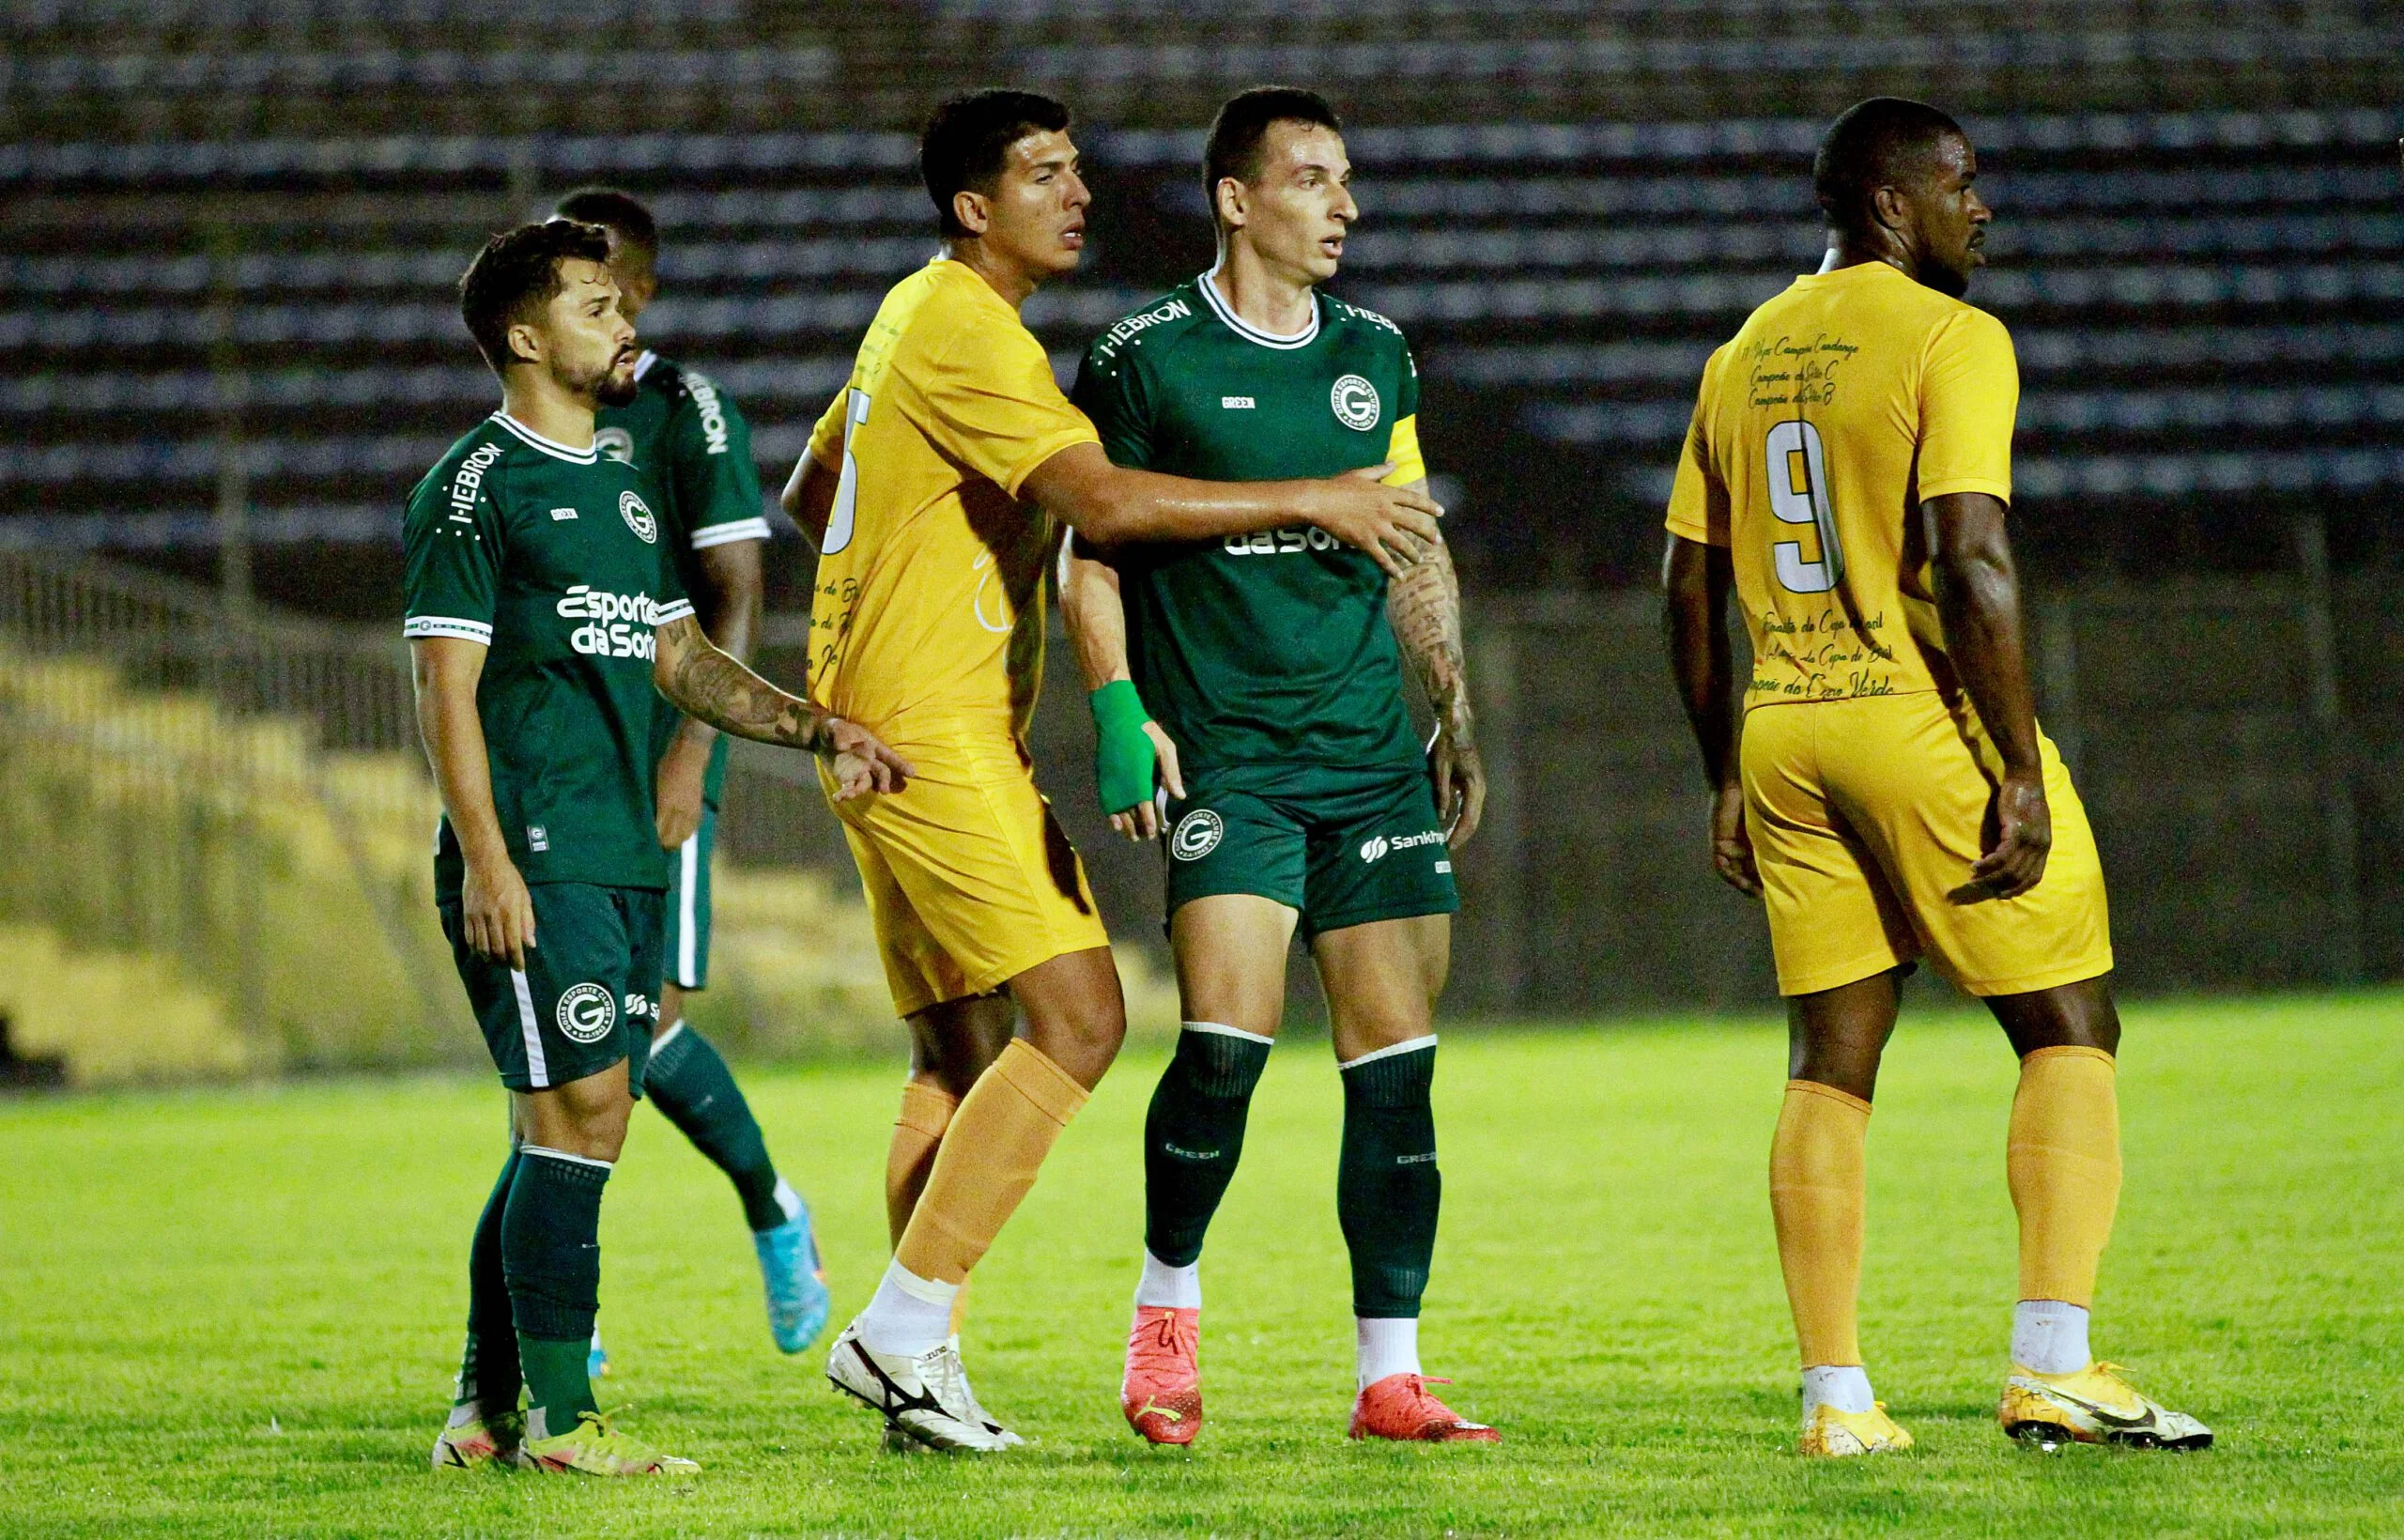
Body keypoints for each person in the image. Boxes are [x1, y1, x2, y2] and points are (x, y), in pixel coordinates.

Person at [779, 87, 1446, 1452]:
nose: (1077, 192)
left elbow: (812, 495)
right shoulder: (977, 329)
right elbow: (1103, 510)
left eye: (1078, 169)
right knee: (1083, 1018)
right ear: (976, 208)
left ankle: (923, 1366)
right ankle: (904, 1333)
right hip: (931, 722)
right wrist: (1311, 497)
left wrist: (936, 564)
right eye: (1044, 173)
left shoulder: (914, 318)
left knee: (960, 1050)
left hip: (881, 713)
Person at [1660, 98, 2212, 1457]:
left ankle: (1837, 1401)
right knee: (2071, 1024)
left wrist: (1722, 770)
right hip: (1914, 719)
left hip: (1784, 724)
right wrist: (2014, 766)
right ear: (1891, 204)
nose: (1985, 207)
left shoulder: (1742, 354)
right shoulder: (1953, 337)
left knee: (1831, 1062)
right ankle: (2056, 1366)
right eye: (1963, 183)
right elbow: (1971, 555)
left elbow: (1683, 579)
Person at [411, 219, 907, 1477]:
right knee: (571, 1114)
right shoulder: (475, 485)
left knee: (592, 1121)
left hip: (627, 844)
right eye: (591, 304)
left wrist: (815, 726)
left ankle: (492, 1412)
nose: (621, 318)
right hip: (540, 841)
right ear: (525, 337)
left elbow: (678, 659)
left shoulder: (628, 484)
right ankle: (559, 1426)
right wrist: (488, 858)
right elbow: (444, 691)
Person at [1058, 86, 1494, 1447]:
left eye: (1348, 181)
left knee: (1396, 1071)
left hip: (1370, 757)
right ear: (1236, 200)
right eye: (1312, 180)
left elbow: (1412, 543)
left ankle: (1390, 1376)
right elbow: (1092, 556)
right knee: (1224, 1048)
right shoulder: (1144, 356)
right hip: (1233, 761)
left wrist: (1453, 715)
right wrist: (1122, 715)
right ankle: (1165, 1323)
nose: (1344, 206)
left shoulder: (1378, 354)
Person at [550, 187, 830, 1368]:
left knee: (640, 1021)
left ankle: (772, 1209)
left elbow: (734, 589)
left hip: (659, 741)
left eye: (611, 288)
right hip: (558, 757)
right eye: (573, 292)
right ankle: (569, 1297)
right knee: (558, 1032)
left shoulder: (683, 408)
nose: (596, 311)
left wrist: (693, 748)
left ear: (645, 294)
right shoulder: (529, 424)